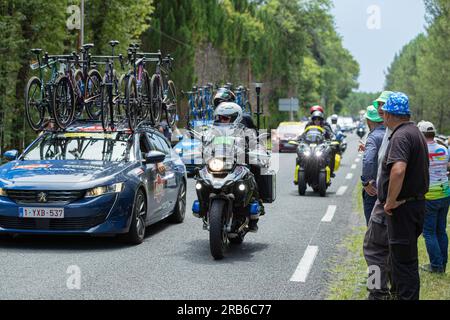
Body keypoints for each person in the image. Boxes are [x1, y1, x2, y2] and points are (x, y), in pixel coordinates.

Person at [377, 92, 429, 300]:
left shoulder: (400, 136)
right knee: (405, 261)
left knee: (404, 265)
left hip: (403, 210)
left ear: (390, 115)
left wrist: (390, 201)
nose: (383, 118)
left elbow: (398, 170)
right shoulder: (415, 132)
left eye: (384, 114)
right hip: (414, 206)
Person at [363, 90, 395, 300]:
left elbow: (368, 161)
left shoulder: (376, 137)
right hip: (403, 202)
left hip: (383, 198)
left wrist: (367, 182)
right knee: (394, 245)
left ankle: (376, 291)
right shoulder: (406, 134)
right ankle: (393, 287)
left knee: (373, 246)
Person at [212, 102, 264, 232]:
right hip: (219, 163)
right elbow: (205, 144)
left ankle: (257, 205)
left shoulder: (246, 131)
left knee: (253, 173)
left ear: (236, 117)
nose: (222, 120)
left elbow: (255, 143)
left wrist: (256, 151)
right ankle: (203, 204)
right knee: (200, 176)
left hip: (239, 163)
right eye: (220, 117)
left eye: (225, 118)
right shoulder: (213, 130)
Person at [417, 121, 450, 274]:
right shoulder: (443, 149)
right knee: (441, 230)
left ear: (421, 134)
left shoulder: (420, 150)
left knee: (429, 232)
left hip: (429, 195)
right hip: (445, 193)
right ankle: (442, 264)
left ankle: (436, 266)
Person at [361, 106, 385, 225]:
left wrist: (366, 182)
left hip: (374, 189)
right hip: (390, 188)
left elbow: (368, 160)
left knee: (372, 227)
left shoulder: (373, 137)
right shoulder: (390, 133)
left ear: (369, 121)